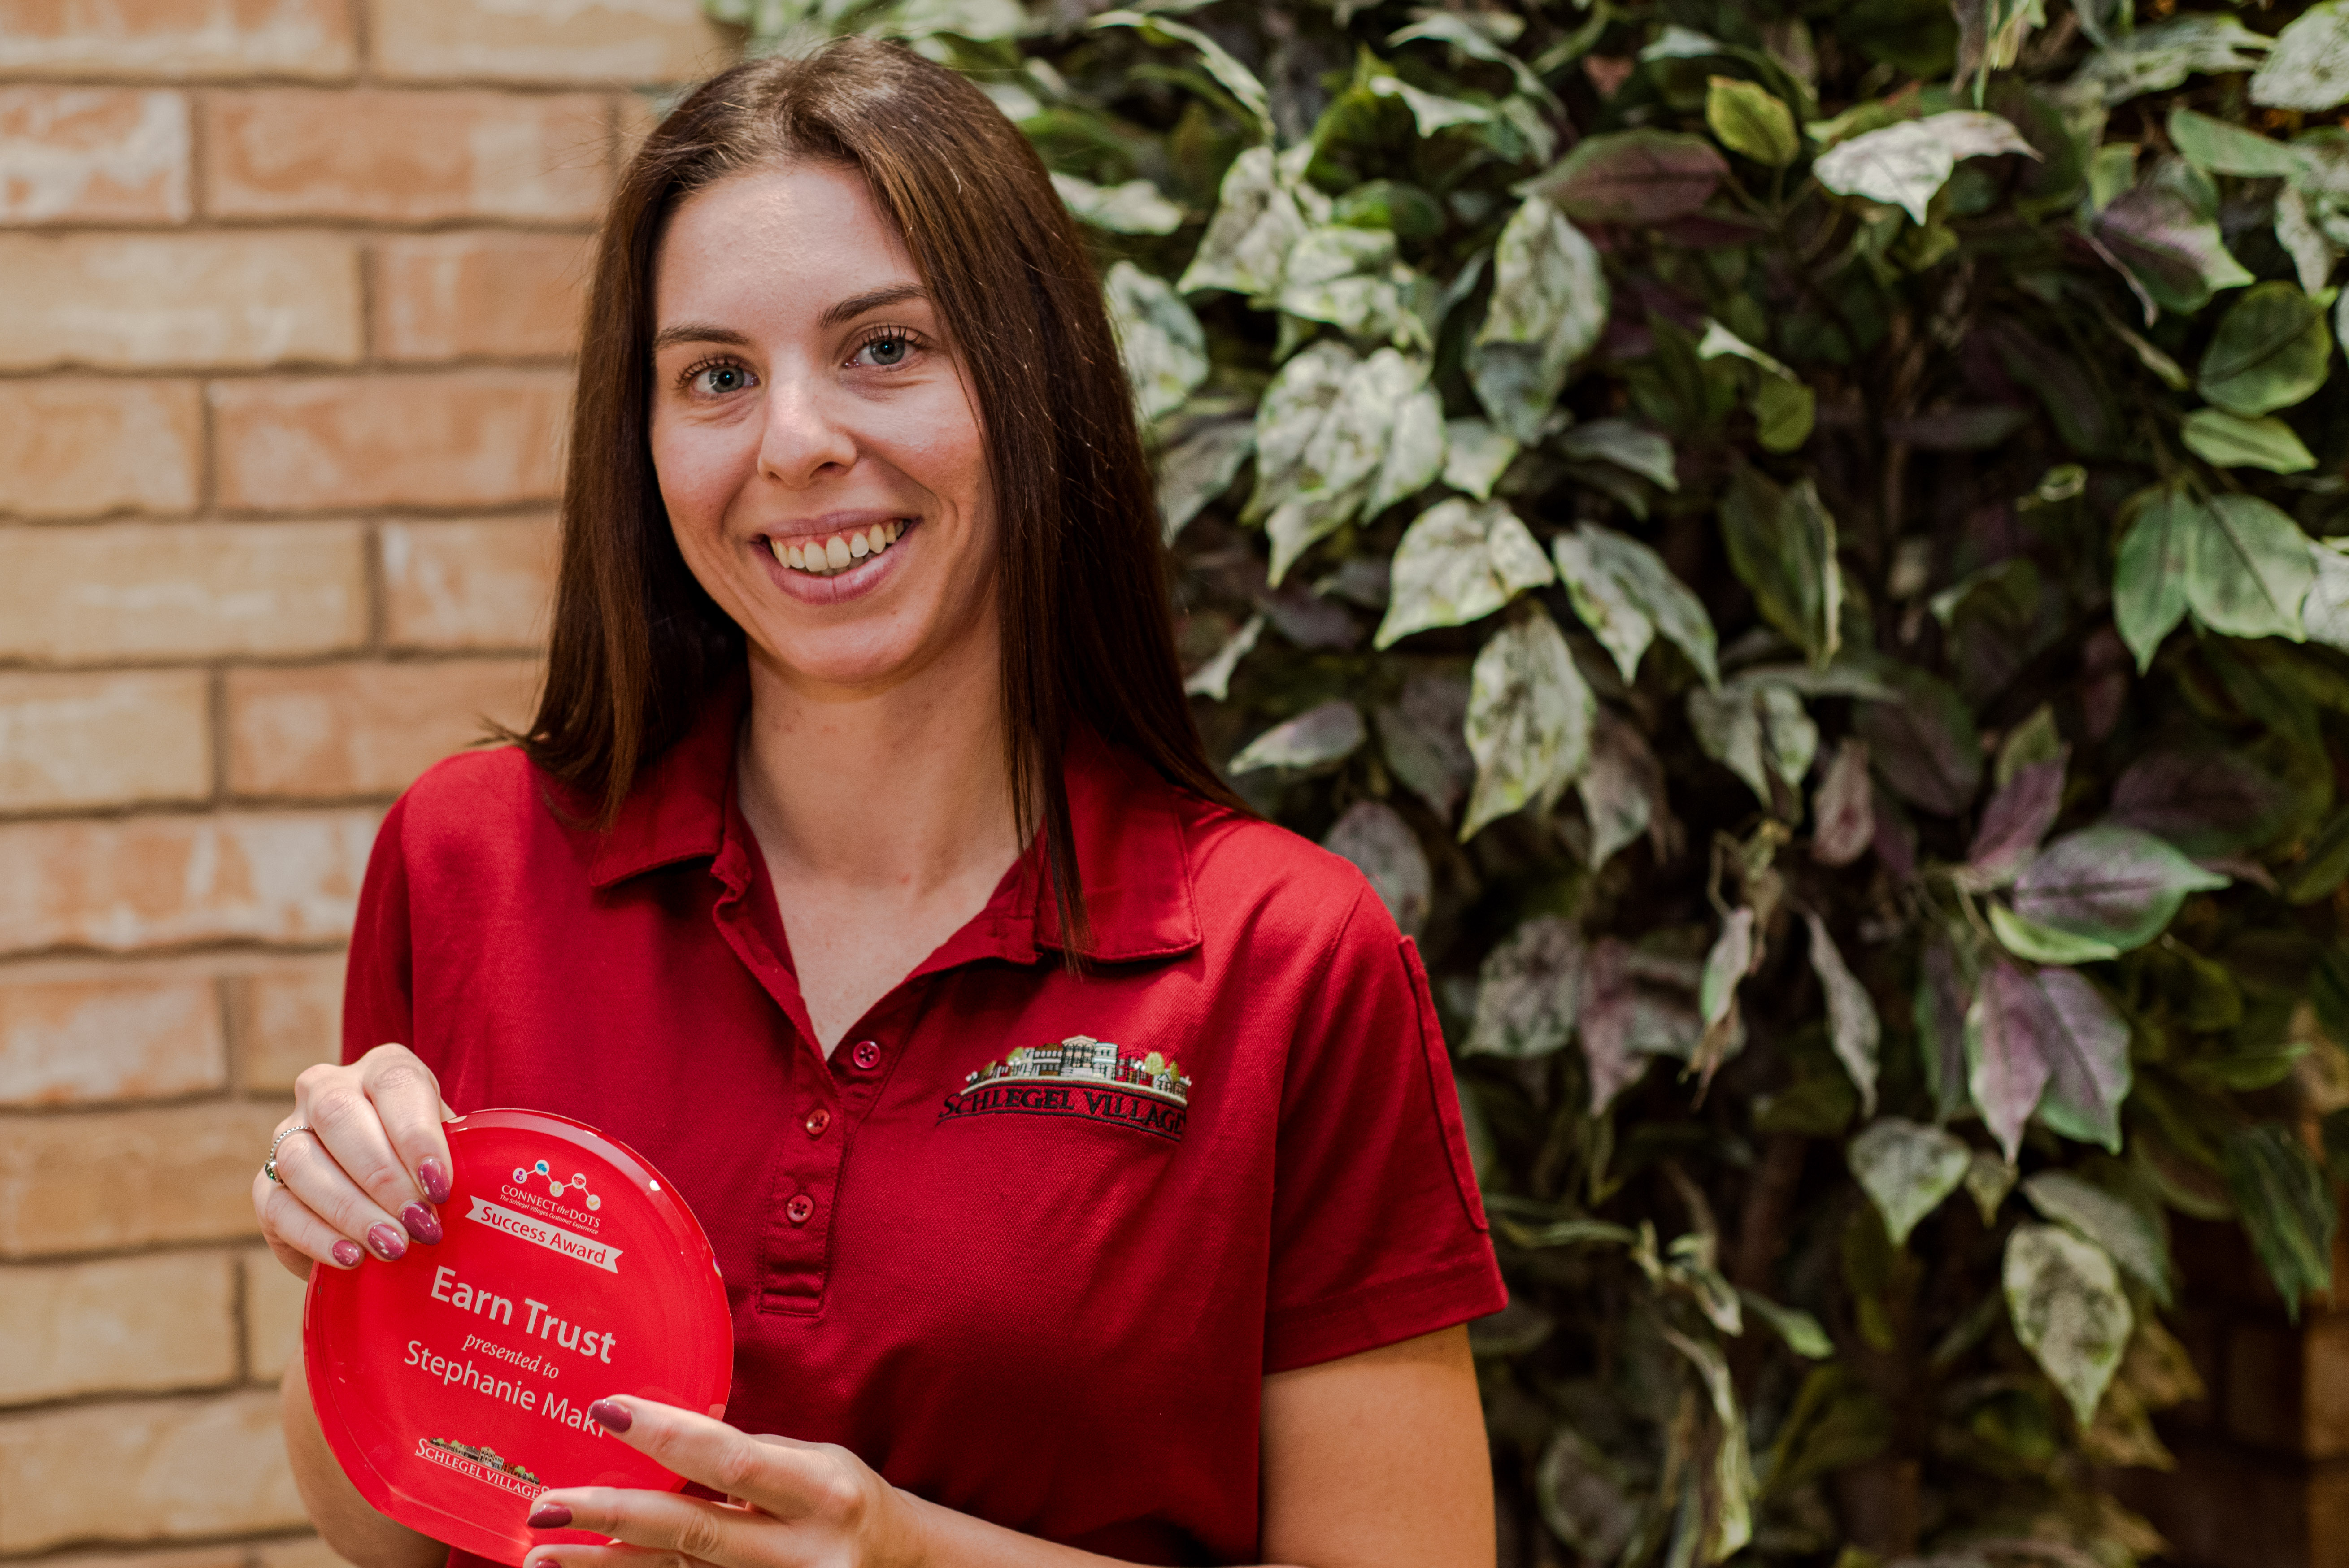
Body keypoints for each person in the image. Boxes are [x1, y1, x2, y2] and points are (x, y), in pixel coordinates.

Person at [252, 37, 1504, 1568]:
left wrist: (914, 1556)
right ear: (641, 443)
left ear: (1033, 381)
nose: (796, 444)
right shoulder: (470, 858)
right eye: (716, 375)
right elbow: (395, 1537)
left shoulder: (1288, 957)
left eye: (885, 348)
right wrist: (348, 1240)